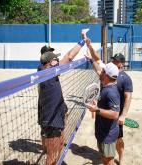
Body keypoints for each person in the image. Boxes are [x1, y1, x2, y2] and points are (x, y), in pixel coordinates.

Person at [38, 31, 87, 165]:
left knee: (58, 147)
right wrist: (82, 41)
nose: (58, 60)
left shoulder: (45, 70)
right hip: (51, 118)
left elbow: (68, 58)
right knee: (52, 155)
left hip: (54, 113)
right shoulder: (48, 72)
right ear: (49, 63)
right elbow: (69, 57)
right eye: (55, 59)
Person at [86, 39, 133, 164]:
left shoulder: (125, 79)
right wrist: (90, 49)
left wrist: (123, 115)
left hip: (115, 115)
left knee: (118, 140)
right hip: (107, 114)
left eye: (116, 61)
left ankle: (121, 159)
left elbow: (128, 97)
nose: (113, 62)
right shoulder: (109, 72)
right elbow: (97, 62)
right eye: (113, 60)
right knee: (110, 145)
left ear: (121, 64)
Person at [86, 62, 120, 165]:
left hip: (108, 135)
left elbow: (115, 114)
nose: (101, 72)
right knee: (105, 159)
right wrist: (98, 105)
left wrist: (97, 110)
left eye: (103, 71)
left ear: (106, 75)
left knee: (108, 161)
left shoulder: (111, 92)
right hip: (103, 132)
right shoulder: (107, 87)